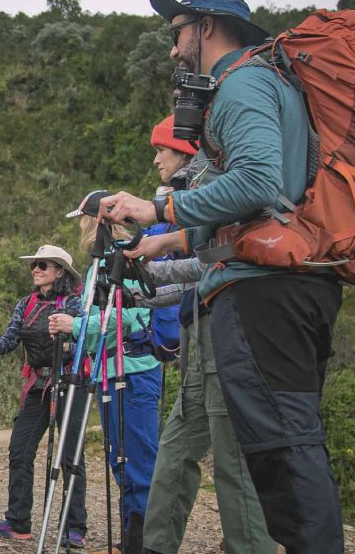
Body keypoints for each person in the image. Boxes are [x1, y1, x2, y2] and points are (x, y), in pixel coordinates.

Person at [101, 0, 344, 554]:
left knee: (279, 451)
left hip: (266, 293)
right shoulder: (266, 85)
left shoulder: (243, 83)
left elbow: (259, 183)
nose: (172, 50)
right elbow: (253, 205)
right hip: (278, 282)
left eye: (176, 32)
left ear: (207, 27)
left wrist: (157, 208)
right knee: (280, 449)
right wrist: (161, 242)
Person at [132, 117, 275, 554]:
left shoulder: (213, 185)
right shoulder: (196, 191)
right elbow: (196, 276)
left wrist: (155, 262)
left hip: (226, 328)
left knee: (231, 457)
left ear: (184, 150)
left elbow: (214, 264)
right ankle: (155, 546)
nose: (156, 158)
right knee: (175, 451)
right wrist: (142, 288)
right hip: (199, 330)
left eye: (162, 149)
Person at [0, 245, 88, 547]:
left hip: (70, 383)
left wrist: (67, 345)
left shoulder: (76, 304)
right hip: (38, 386)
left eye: (43, 265)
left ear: (60, 272)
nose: (35, 270)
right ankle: (18, 522)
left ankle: (75, 527)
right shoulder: (25, 304)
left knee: (71, 457)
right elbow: (7, 342)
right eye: (34, 265)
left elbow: (88, 342)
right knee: (20, 450)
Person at [51, 219, 161, 554]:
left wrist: (77, 325)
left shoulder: (125, 257)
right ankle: (130, 541)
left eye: (85, 217)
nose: (82, 225)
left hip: (134, 371)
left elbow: (129, 314)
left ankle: (142, 545)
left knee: (138, 462)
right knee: (120, 459)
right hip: (108, 371)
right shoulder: (98, 264)